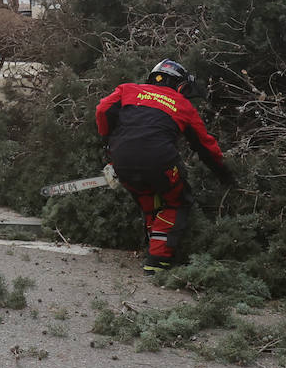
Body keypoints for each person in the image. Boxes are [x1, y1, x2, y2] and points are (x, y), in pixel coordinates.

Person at [95, 59, 234, 274]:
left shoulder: (128, 90)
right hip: (160, 161)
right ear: (179, 84)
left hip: (121, 158)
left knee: (149, 201)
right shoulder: (182, 104)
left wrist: (107, 140)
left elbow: (103, 110)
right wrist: (224, 174)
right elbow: (205, 145)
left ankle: (151, 247)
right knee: (177, 201)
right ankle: (158, 260)